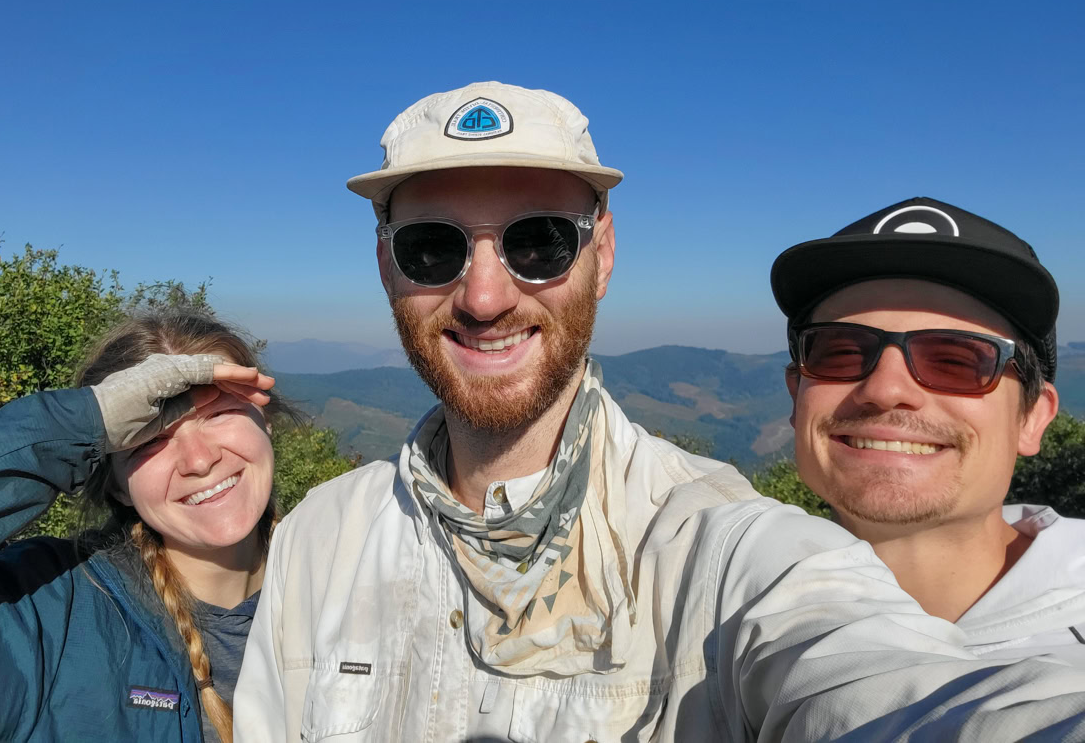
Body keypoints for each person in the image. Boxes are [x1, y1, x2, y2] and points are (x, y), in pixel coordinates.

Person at [236, 82, 1085, 741]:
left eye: (539, 242)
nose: (486, 295)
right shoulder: (319, 542)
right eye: (433, 248)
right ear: (388, 267)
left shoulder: (715, 537)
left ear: (601, 255)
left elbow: (883, 683)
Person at [0, 308, 290, 742]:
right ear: (116, 485)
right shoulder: (38, 619)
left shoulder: (344, 575)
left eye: (218, 413)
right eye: (150, 440)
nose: (200, 460)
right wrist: (79, 424)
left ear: (263, 421)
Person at [773, 196, 1085, 665]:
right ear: (797, 397)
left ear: (1033, 417)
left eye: (956, 359)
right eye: (839, 352)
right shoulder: (718, 611)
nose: (885, 387)